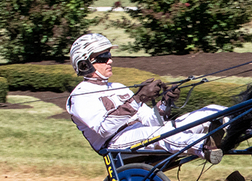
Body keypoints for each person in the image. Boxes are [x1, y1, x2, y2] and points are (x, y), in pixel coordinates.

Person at [66, 33, 225, 163]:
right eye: (103, 57)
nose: (110, 60)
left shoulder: (118, 87)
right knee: (161, 134)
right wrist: (139, 98)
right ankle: (205, 145)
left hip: (143, 133)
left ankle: (243, 124)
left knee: (209, 113)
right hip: (116, 143)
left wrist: (165, 102)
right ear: (85, 64)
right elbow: (104, 129)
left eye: (109, 55)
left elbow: (152, 121)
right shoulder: (80, 96)